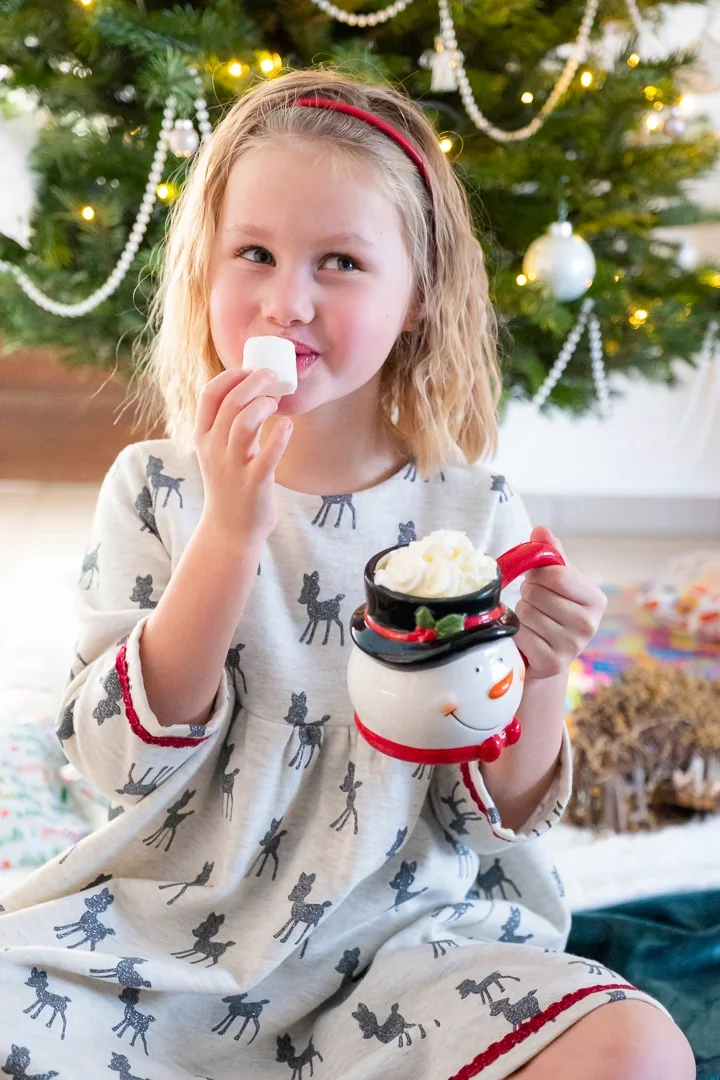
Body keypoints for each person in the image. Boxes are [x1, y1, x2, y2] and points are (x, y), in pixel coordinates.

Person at [0, 68, 694, 1080]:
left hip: (408, 953)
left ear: (419, 298)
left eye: (339, 262)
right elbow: (121, 766)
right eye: (256, 254)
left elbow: (488, 806)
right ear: (206, 274)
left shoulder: (476, 512)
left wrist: (540, 673)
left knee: (642, 1051)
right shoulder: (153, 488)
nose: (288, 301)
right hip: (173, 941)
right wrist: (231, 536)